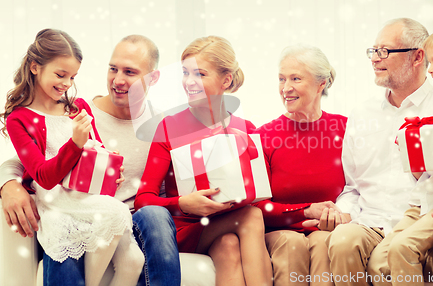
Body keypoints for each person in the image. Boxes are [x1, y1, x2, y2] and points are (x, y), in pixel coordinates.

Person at [325, 18, 433, 286]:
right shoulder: (362, 114)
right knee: (345, 242)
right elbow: (353, 187)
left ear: (417, 57)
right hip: (377, 221)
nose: (374, 59)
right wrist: (343, 213)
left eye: (383, 51)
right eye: (373, 51)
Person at [0, 34, 181, 286]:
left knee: (150, 224)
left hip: (130, 218)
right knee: (64, 229)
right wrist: (7, 184)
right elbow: (26, 162)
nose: (118, 80)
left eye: (129, 72)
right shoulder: (83, 110)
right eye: (113, 69)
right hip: (71, 205)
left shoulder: (163, 126)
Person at [135, 35, 273, 286]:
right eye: (185, 73)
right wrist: (183, 204)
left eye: (199, 74)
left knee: (229, 245)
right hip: (183, 228)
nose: (189, 82)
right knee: (251, 217)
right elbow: (143, 199)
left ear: (226, 80)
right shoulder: (169, 127)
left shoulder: (246, 130)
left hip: (222, 228)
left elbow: (260, 196)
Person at [253, 44, 347, 286]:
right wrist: (305, 211)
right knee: (291, 243)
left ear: (321, 84)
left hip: (328, 230)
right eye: (282, 79)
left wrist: (342, 217)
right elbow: (257, 208)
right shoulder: (263, 136)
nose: (286, 88)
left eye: (296, 78)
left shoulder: (346, 129)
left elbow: (363, 189)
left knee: (323, 241)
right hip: (282, 233)